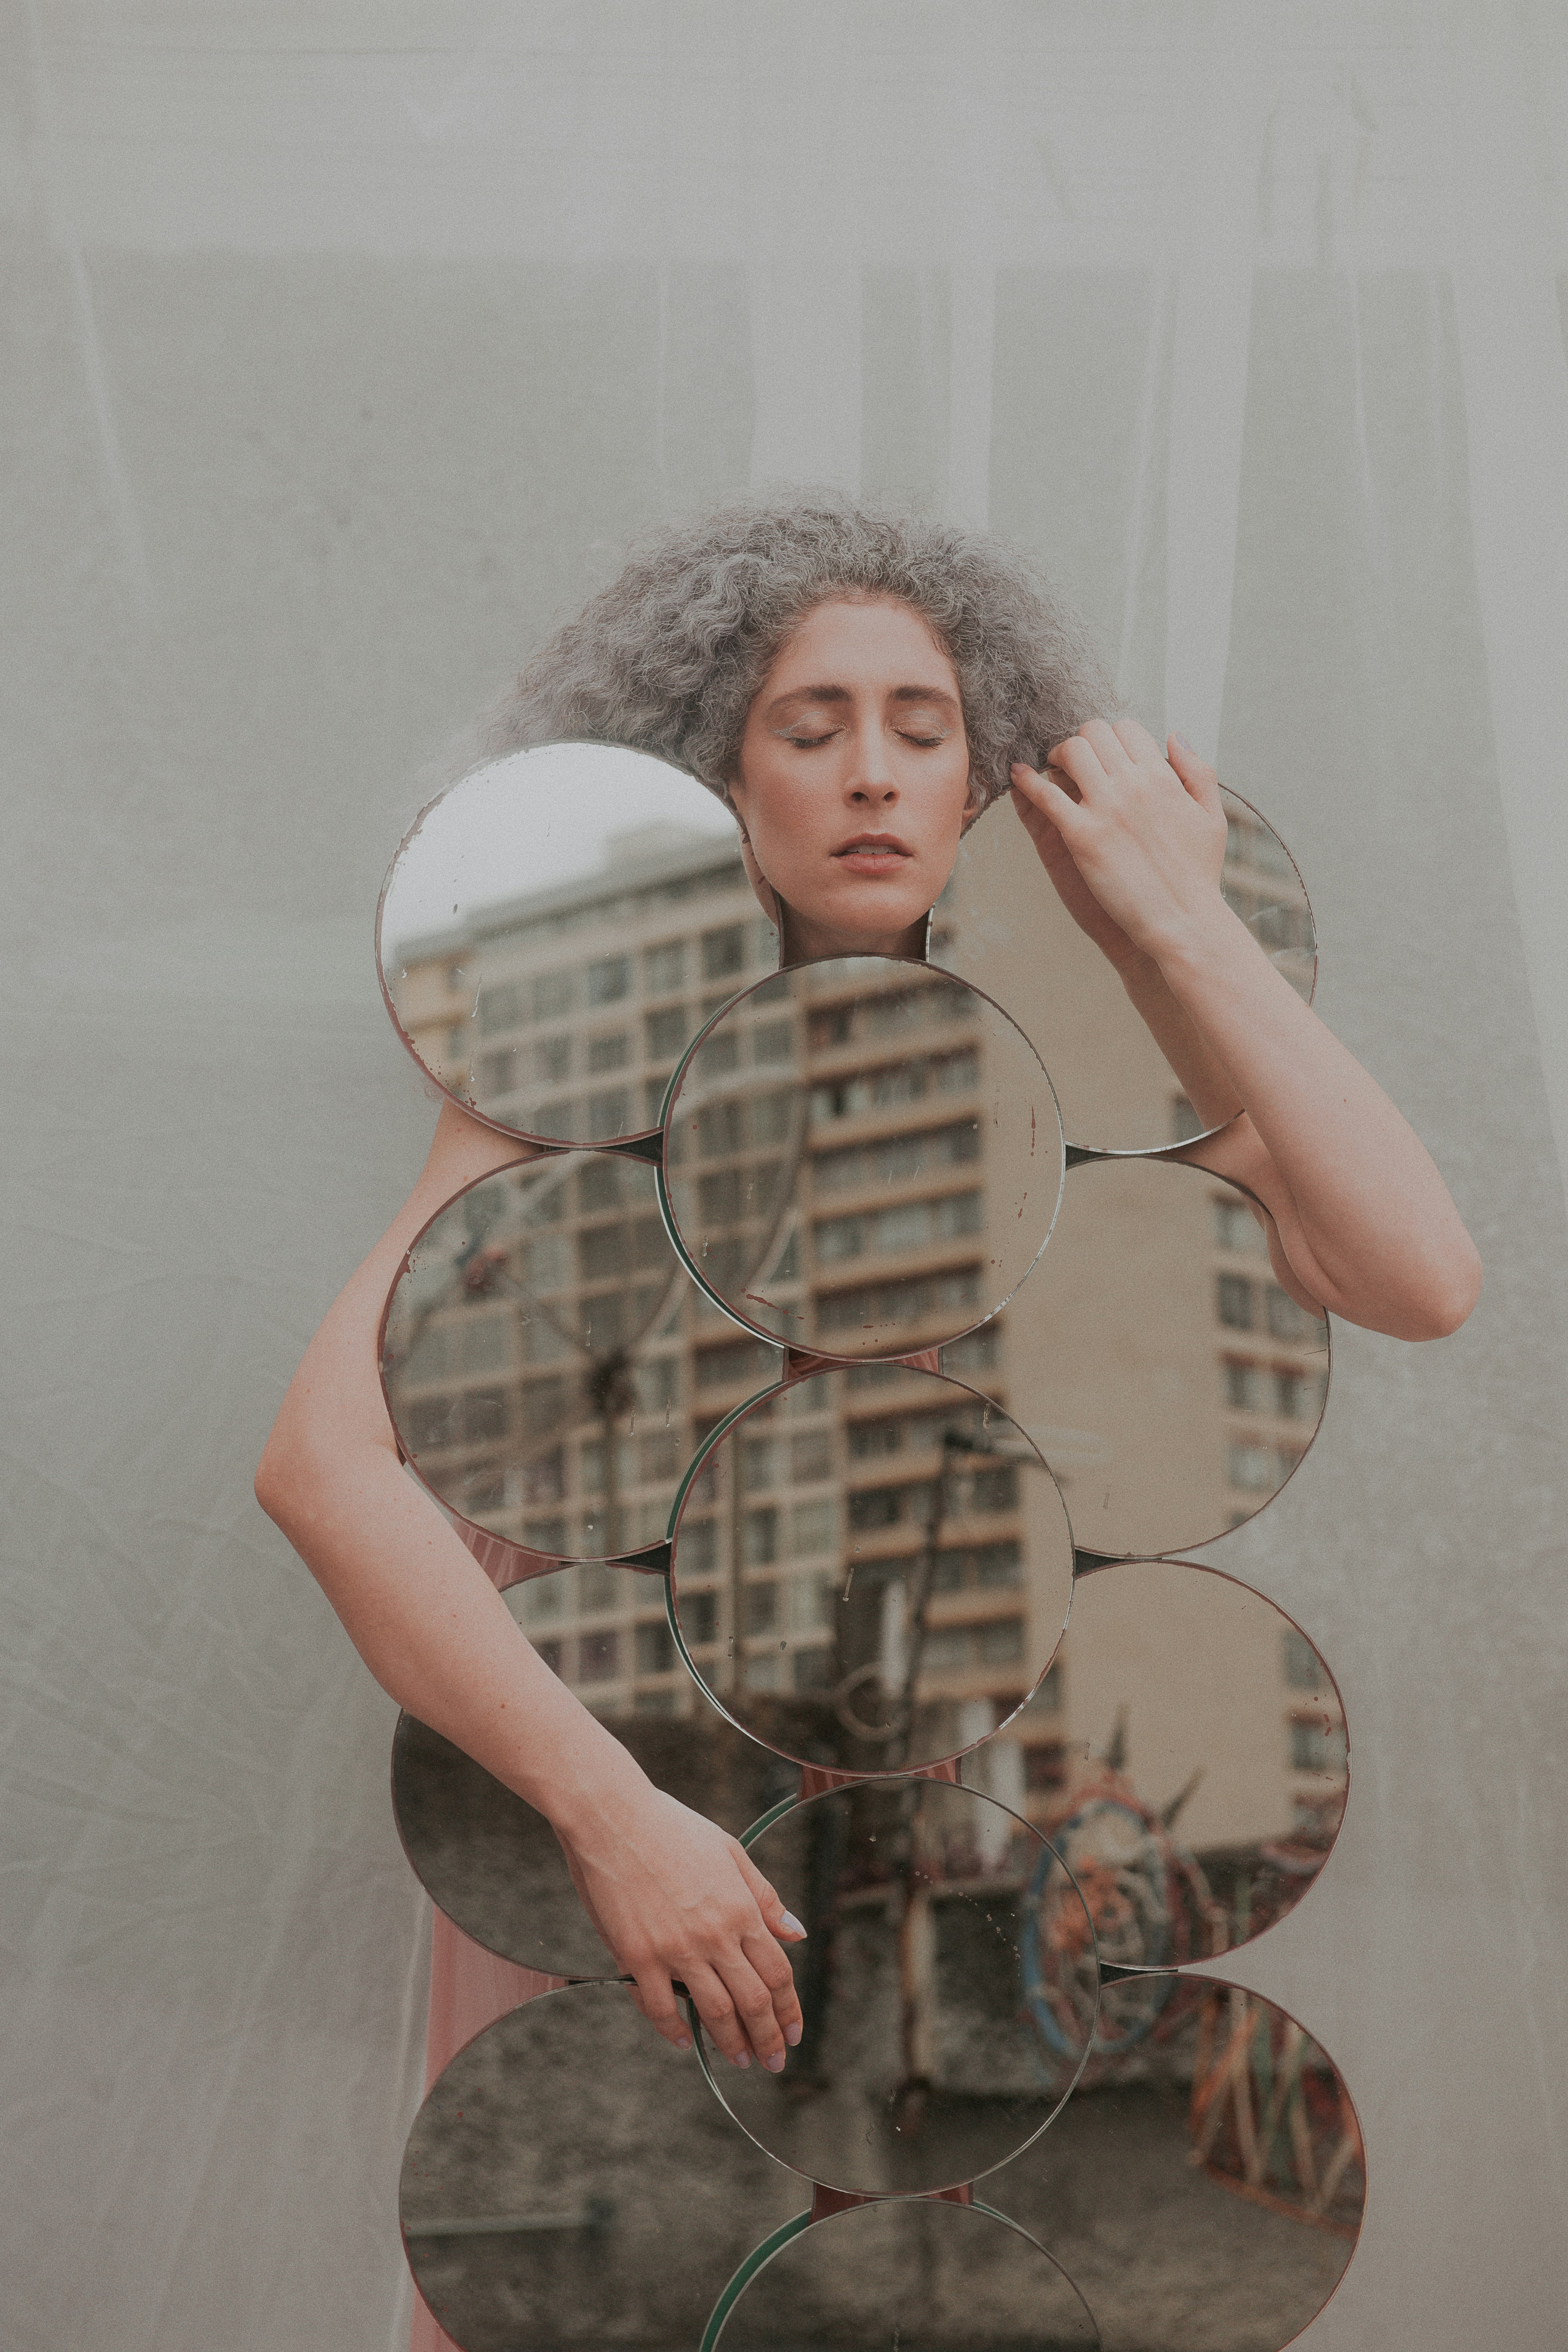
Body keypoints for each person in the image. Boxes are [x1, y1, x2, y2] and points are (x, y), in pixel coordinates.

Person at [255, 495, 1480, 2112]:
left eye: (924, 728)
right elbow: (325, 1469)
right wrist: (618, 1823)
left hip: (959, 1794)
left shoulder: (1091, 1054)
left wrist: (1179, 921)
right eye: (809, 727)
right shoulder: (579, 1059)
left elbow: (1420, 1278)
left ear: (988, 779)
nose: (873, 773)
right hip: (641, 1773)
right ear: (715, 774)